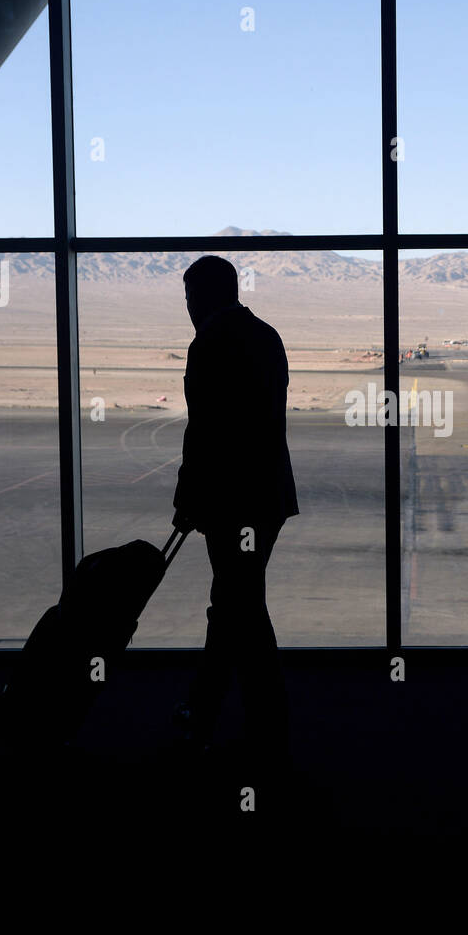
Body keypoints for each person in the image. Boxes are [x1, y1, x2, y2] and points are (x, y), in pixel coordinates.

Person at [170, 255, 298, 767]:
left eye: (188, 297)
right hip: (266, 497)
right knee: (237, 606)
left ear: (201, 296)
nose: (187, 308)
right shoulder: (267, 335)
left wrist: (187, 498)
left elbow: (203, 432)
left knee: (235, 607)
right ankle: (238, 718)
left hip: (231, 501)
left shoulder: (209, 344)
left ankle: (225, 719)